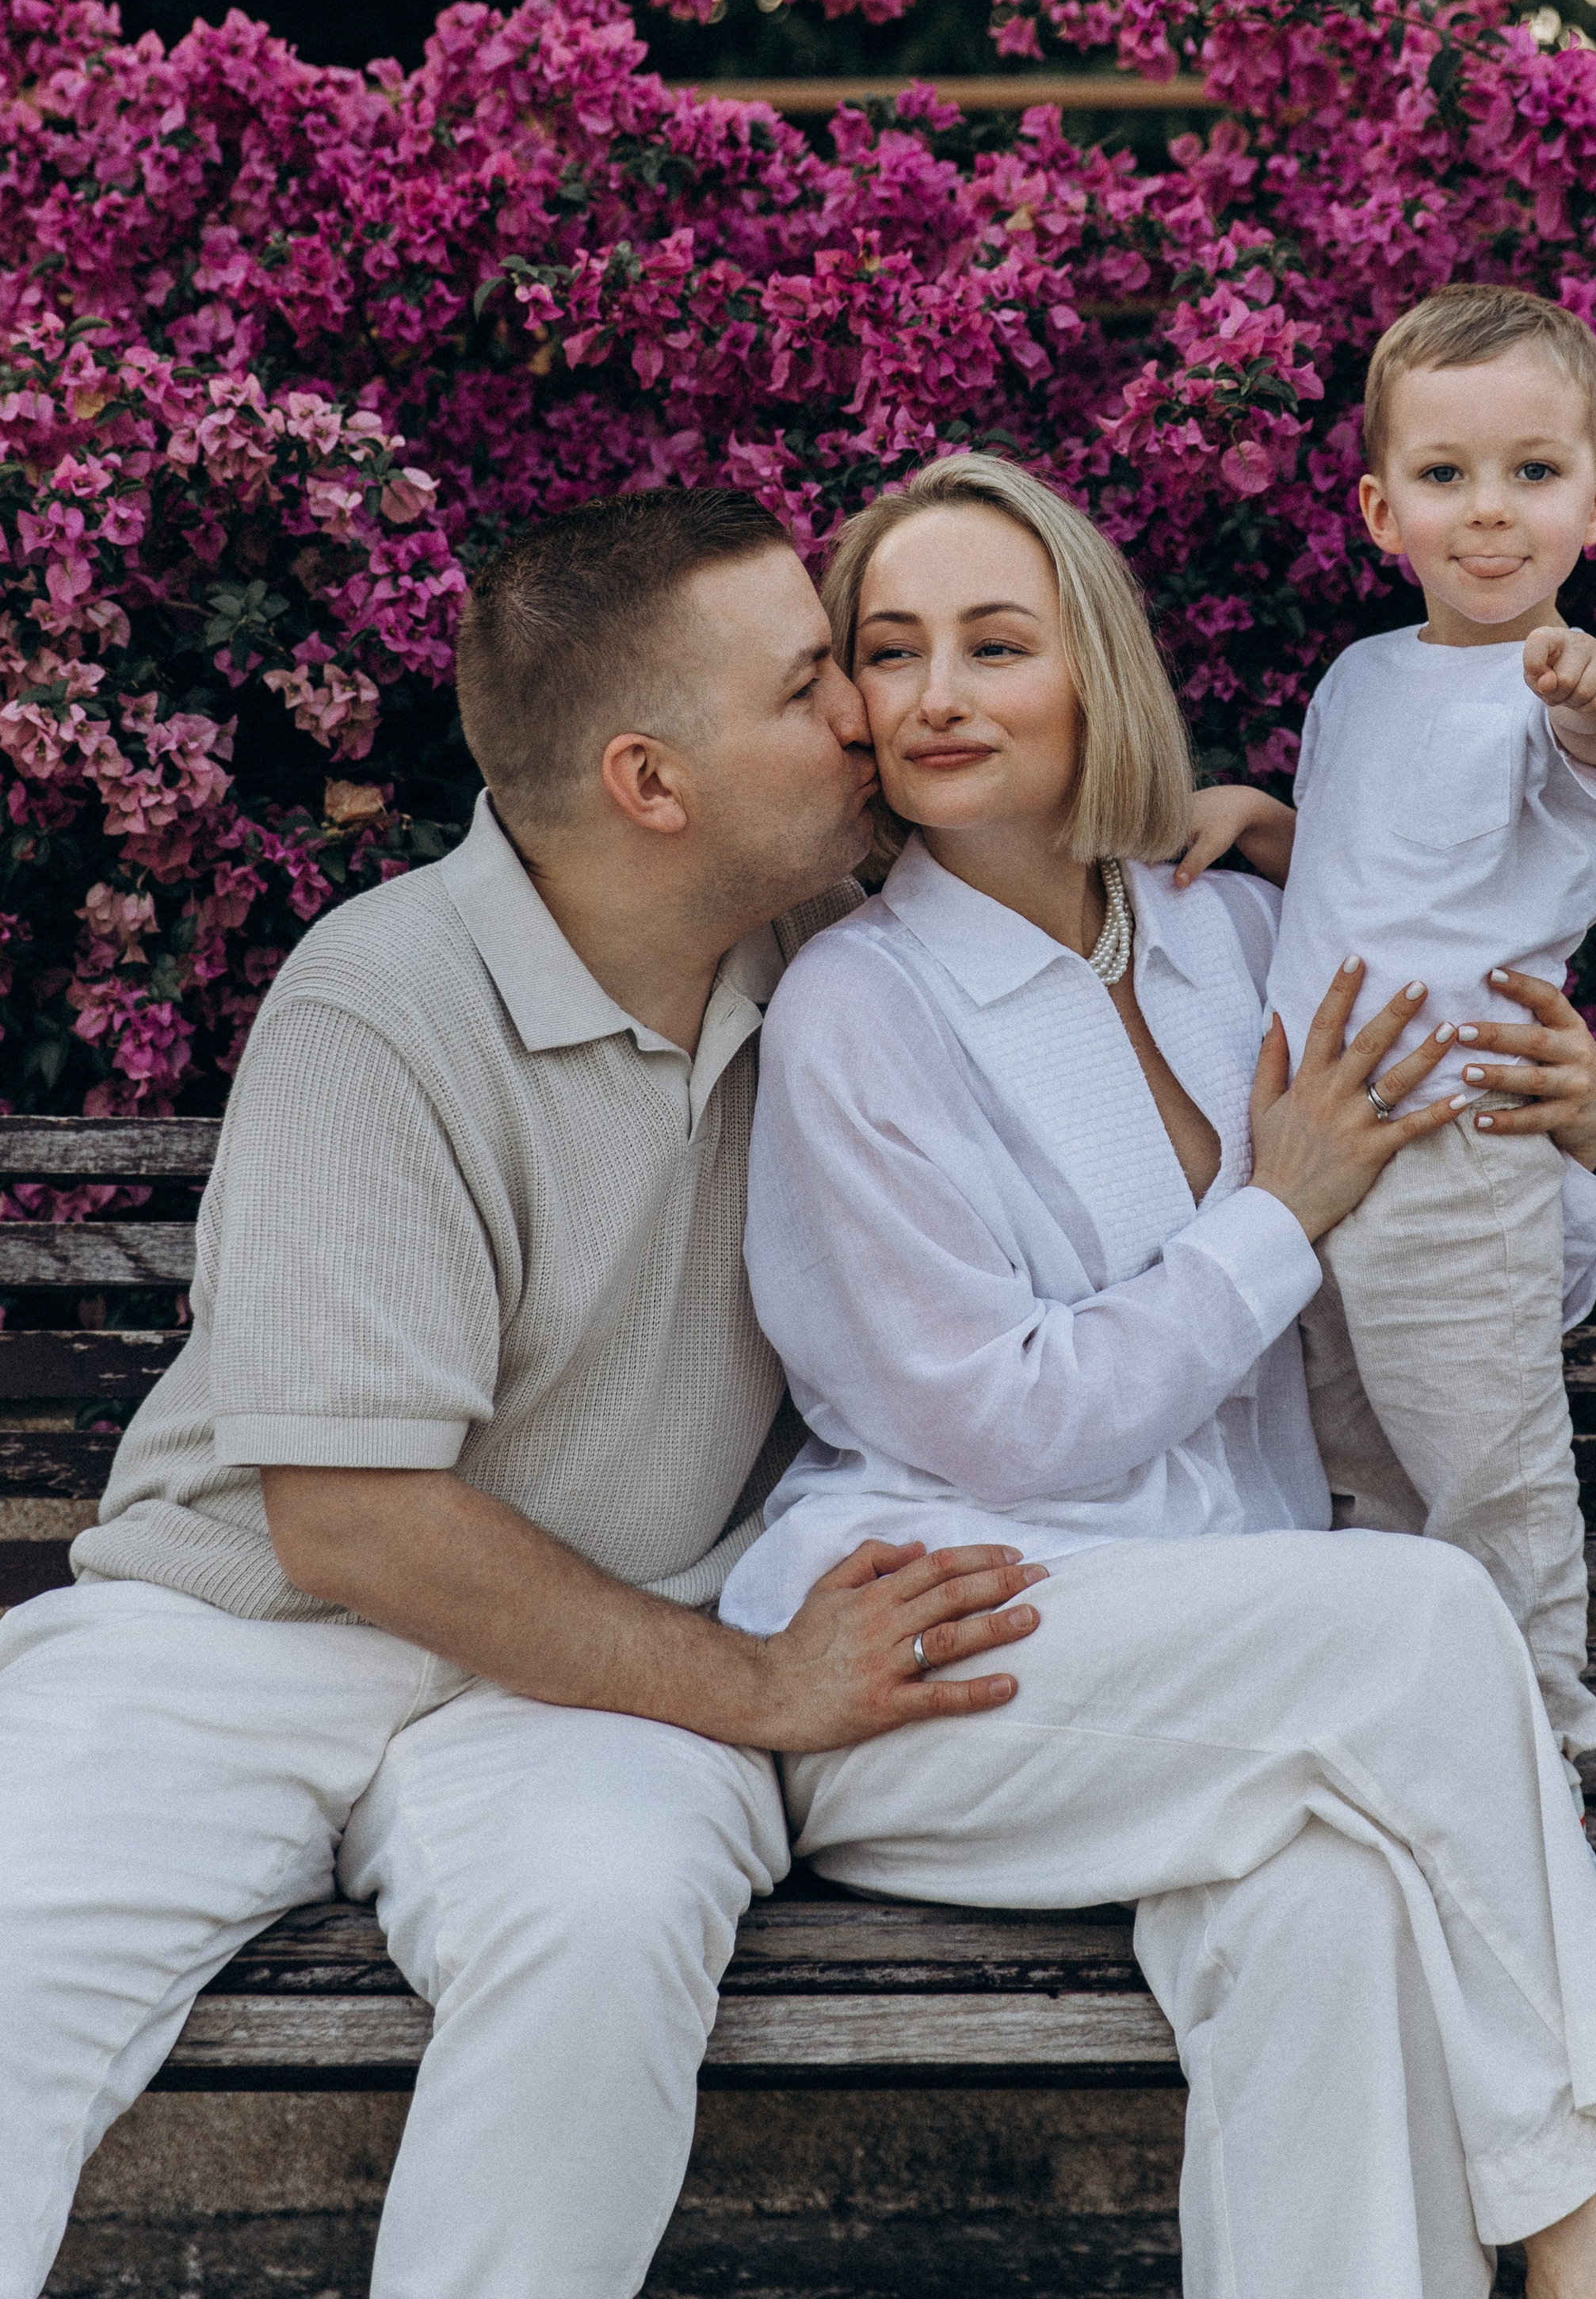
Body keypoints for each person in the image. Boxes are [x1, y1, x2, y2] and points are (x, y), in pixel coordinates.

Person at [0, 489, 1052, 2299]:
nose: (867, 717)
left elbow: (1080, 890)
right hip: (236, 1638)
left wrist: (1208, 832)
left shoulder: (839, 964)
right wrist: (754, 1685)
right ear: (652, 782)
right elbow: (350, 1518)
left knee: (612, 1921)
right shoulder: (382, 1001)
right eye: (810, 685)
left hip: (599, 1671)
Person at [719, 452, 1596, 2299]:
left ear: (1087, 670)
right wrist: (1280, 1206)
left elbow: (1430, 1308)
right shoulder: (859, 1005)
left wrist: (1575, 1147)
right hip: (942, 1647)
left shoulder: (1229, 937)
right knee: (1416, 1617)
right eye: (890, 648)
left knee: (1333, 1923)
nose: (936, 697)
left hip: (1234, 1672)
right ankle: (1592, 2236)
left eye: (993, 644)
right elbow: (991, 1420)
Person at [1178, 285, 1596, 1790]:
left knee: (1483, 1459)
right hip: (1318, 1136)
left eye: (1533, 472)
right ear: (1383, 509)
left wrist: (1589, 686)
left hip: (1457, 1136)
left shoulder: (1568, 686)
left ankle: (1540, 1745)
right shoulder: (1363, 676)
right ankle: (1409, 1727)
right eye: (1447, 478)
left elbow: (1595, 748)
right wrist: (1273, 829)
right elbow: (1385, 860)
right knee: (1358, 1461)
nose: (1492, 512)